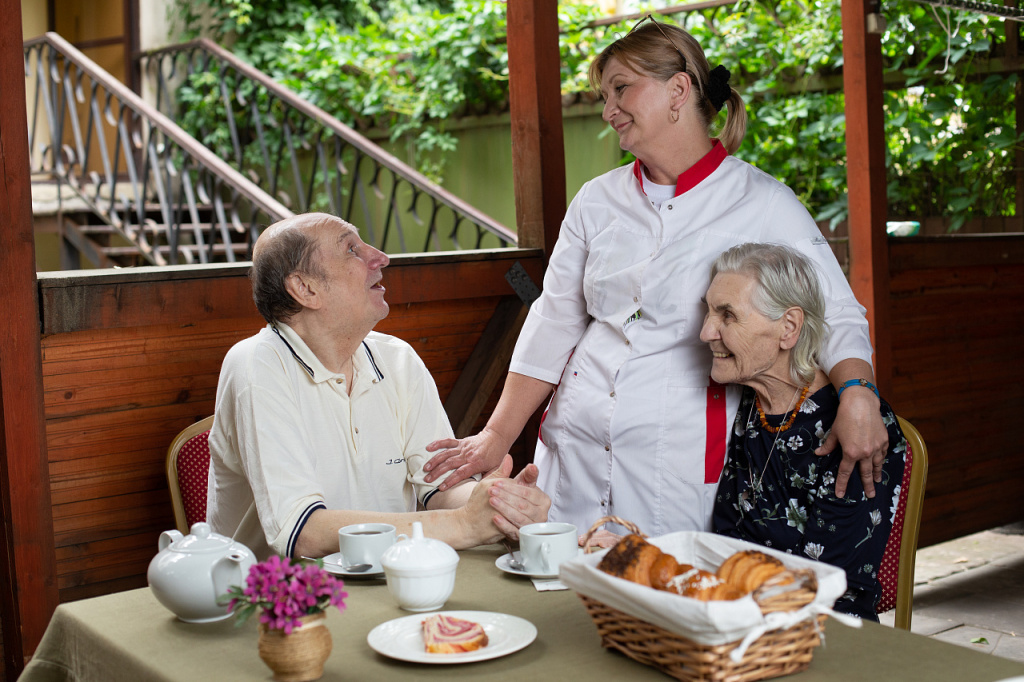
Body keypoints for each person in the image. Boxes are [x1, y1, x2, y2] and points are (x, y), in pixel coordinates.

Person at [423, 15, 888, 538]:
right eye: (604, 95)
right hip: (573, 450)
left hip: (676, 461)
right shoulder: (596, 200)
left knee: (661, 597)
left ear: (678, 90)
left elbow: (839, 313)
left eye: (621, 89)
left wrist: (858, 392)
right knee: (560, 597)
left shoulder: (762, 202)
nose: (607, 110)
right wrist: (495, 436)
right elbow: (553, 321)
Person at [206, 213, 550, 560]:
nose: (380, 257)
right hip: (277, 602)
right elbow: (303, 532)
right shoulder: (256, 364)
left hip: (389, 583)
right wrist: (463, 524)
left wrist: (496, 504)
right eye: (352, 249)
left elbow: (442, 487)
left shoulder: (398, 359)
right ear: (305, 289)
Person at [704, 243, 905, 620]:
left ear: (788, 328)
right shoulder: (751, 406)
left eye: (726, 315)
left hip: (823, 634)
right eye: (708, 311)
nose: (705, 332)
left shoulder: (854, 428)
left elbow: (828, 579)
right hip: (740, 619)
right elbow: (726, 538)